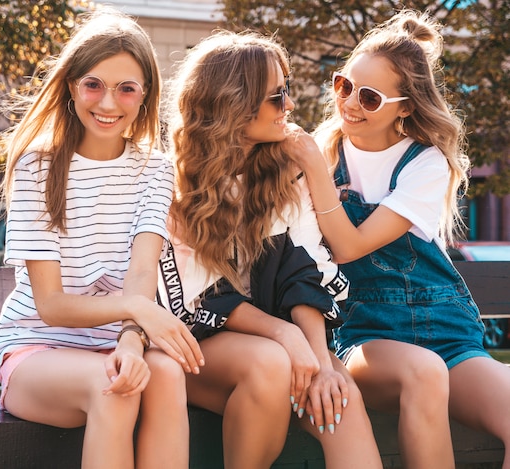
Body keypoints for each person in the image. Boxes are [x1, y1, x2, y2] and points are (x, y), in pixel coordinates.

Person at [289, 9, 510, 469]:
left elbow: (352, 243)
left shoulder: (427, 163)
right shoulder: (318, 158)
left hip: (445, 336)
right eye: (343, 85)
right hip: (363, 333)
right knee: (422, 373)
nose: (349, 103)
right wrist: (313, 165)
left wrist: (314, 170)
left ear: (405, 107)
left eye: (368, 97)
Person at [0, 7, 204, 469]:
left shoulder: (155, 168)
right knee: (114, 390)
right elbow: (50, 304)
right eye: (94, 85)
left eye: (126, 89)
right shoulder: (36, 166)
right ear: (71, 86)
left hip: (115, 340)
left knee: (165, 376)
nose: (108, 104)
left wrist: (131, 341)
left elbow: (143, 269)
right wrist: (137, 312)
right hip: (36, 349)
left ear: (145, 97)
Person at [159, 30, 382, 469]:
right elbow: (197, 295)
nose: (291, 107)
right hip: (189, 345)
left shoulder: (285, 171)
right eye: (277, 97)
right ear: (233, 103)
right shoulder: (172, 182)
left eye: (288, 92)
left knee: (340, 396)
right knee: (270, 363)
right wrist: (286, 335)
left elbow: (305, 270)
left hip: (281, 349)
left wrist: (318, 359)